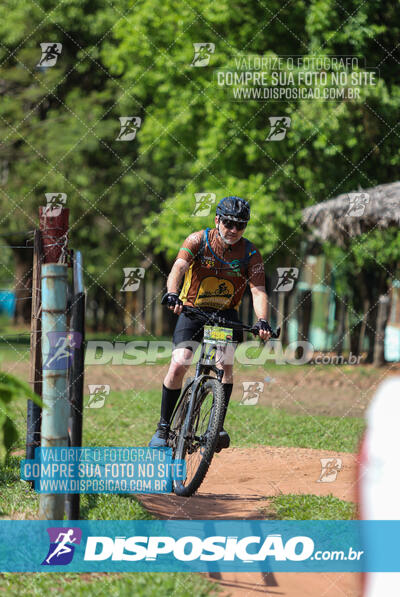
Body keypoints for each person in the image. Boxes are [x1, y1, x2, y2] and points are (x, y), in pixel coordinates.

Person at [149, 196, 271, 450]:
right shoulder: (197, 240)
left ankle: (217, 426)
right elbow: (178, 268)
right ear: (217, 220)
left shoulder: (250, 253)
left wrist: (262, 321)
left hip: (225, 315)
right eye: (229, 223)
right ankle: (163, 427)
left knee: (224, 365)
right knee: (179, 362)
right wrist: (172, 293)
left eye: (241, 225)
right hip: (192, 309)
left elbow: (258, 290)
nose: (234, 230)